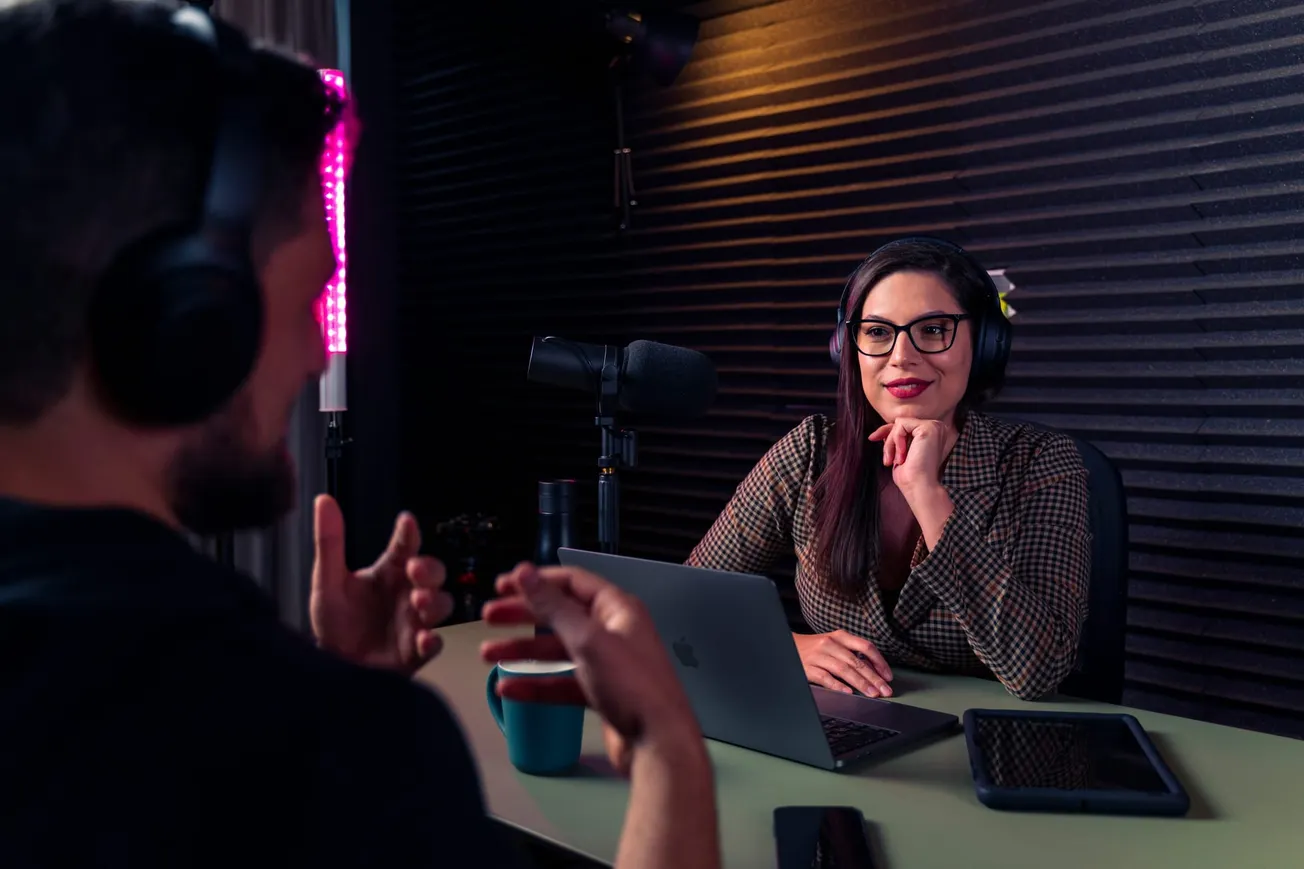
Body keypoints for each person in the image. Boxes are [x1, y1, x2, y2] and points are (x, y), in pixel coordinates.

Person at [0, 2, 719, 868]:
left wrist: (342, 692)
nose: (316, 352)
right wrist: (671, 747)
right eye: (308, 295)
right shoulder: (333, 757)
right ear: (190, 317)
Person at [687, 237, 1091, 701]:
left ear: (984, 343)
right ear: (849, 348)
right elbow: (690, 602)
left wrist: (928, 494)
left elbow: (1038, 672)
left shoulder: (1040, 462)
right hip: (848, 732)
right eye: (878, 332)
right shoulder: (809, 452)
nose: (902, 356)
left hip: (993, 742)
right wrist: (781, 647)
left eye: (934, 329)